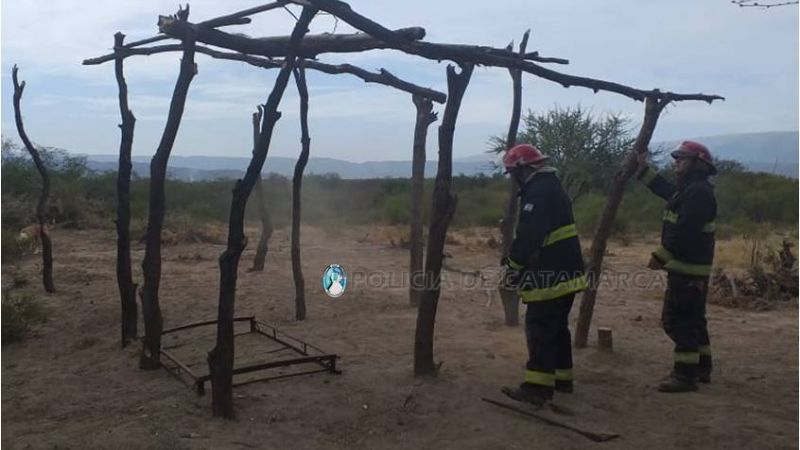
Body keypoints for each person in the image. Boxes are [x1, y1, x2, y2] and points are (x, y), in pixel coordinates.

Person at [500, 143, 588, 407]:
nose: (514, 181)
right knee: (557, 329)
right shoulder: (551, 186)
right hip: (566, 274)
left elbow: (528, 237)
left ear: (523, 169)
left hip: (550, 277)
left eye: (513, 174)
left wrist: (513, 267)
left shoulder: (537, 192)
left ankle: (537, 389)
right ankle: (562, 379)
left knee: (540, 329)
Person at [636, 141, 717, 393]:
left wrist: (660, 256)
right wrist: (643, 170)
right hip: (688, 270)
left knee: (677, 321)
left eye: (682, 158)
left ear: (698, 163)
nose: (676, 162)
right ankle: (702, 367)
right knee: (693, 321)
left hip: (688, 270)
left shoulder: (699, 193)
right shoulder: (689, 190)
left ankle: (685, 375)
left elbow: (685, 232)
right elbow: (666, 190)